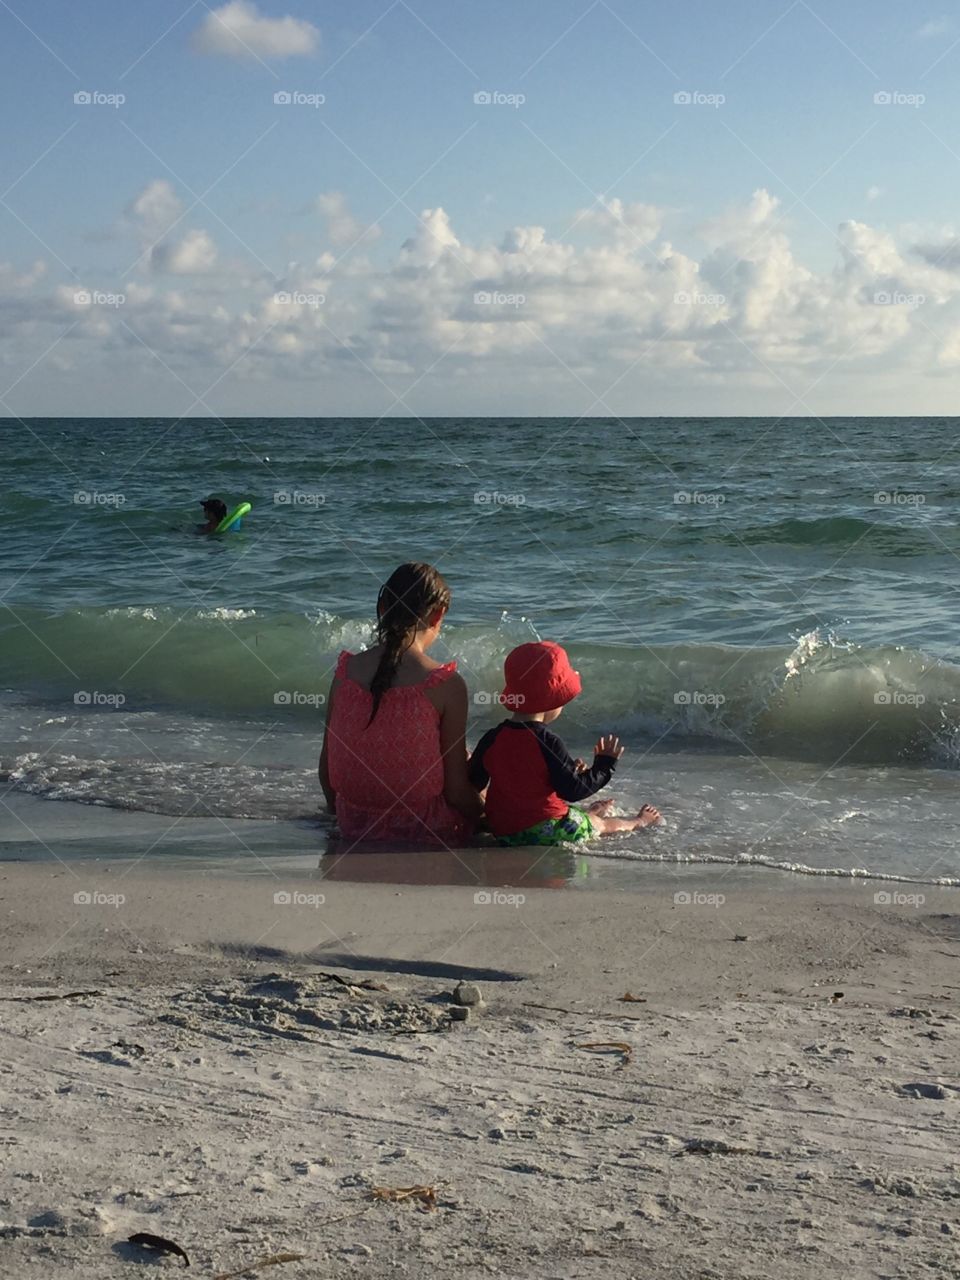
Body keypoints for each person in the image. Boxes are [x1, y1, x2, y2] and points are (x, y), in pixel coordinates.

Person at [318, 562, 482, 845]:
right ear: (437, 615)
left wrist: (340, 816)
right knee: (476, 769)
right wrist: (488, 816)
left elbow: (327, 770)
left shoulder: (345, 673)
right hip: (427, 830)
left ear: (383, 607)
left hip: (354, 824)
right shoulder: (445, 684)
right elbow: (456, 792)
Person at [468, 640, 661, 846]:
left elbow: (475, 781)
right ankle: (638, 821)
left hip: (504, 831)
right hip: (545, 830)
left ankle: (587, 813)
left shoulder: (492, 737)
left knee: (571, 814)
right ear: (552, 698)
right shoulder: (547, 741)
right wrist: (604, 767)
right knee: (599, 825)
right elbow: (572, 790)